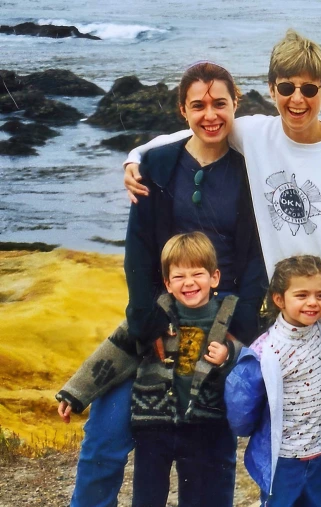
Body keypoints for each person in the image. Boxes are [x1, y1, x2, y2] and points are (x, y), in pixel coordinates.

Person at [122, 29, 321, 507]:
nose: (297, 99)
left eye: (309, 89)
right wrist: (137, 157)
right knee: (296, 448)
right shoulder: (257, 134)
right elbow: (196, 128)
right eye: (286, 88)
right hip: (289, 328)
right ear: (271, 90)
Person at [56, 62, 267, 507]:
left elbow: (256, 262)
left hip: (221, 322)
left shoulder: (254, 169)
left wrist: (236, 333)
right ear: (181, 109)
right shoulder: (156, 163)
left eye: (219, 104)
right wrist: (146, 320)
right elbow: (138, 250)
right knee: (105, 437)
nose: (210, 114)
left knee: (214, 453)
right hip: (159, 316)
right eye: (198, 105)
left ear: (236, 104)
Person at [59, 232, 242, 506]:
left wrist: (229, 356)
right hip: (153, 427)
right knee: (146, 497)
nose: (189, 283)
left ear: (215, 278)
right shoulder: (155, 316)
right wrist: (74, 393)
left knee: (201, 496)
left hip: (204, 427)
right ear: (167, 283)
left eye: (197, 274)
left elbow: (249, 357)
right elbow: (114, 352)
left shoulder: (230, 319)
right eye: (179, 277)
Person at [225, 255, 321, 507]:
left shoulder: (318, 331)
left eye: (320, 295)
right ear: (279, 299)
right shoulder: (266, 350)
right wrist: (249, 429)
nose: (313, 303)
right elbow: (241, 400)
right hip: (285, 459)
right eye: (302, 295)